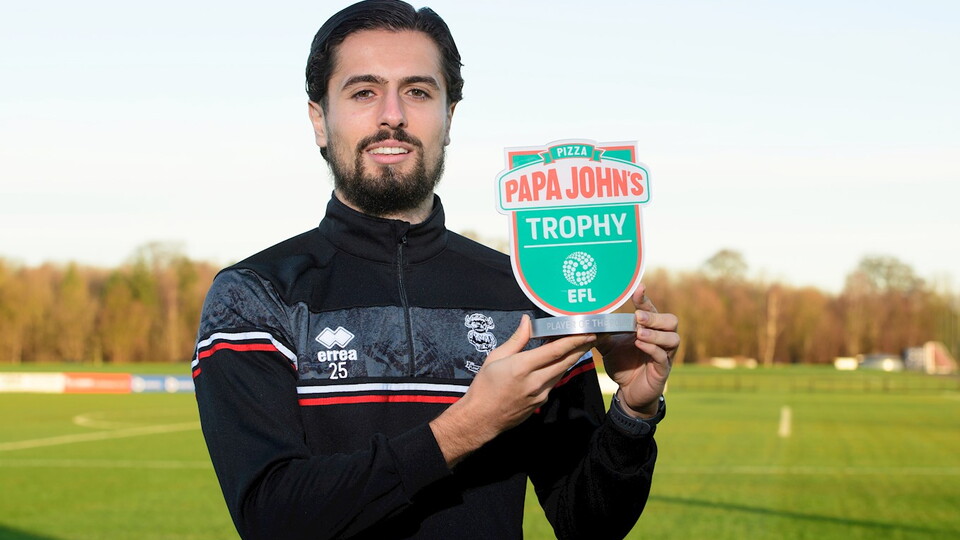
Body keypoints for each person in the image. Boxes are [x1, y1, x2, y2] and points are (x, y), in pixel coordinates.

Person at [192, 1, 679, 539]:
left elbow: (587, 522)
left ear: (450, 118)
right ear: (319, 121)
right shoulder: (256, 295)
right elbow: (272, 518)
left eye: (419, 92)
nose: (393, 115)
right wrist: (468, 426)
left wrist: (633, 413)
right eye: (363, 92)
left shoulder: (528, 293)